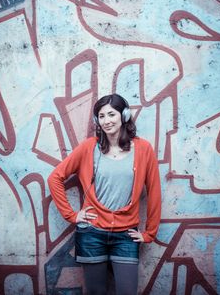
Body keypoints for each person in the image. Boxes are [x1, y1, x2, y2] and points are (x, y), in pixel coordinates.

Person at [47, 93, 161, 294]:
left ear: (123, 115)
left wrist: (149, 233)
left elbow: (154, 191)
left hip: (126, 235)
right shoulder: (88, 147)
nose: (106, 121)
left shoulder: (143, 149)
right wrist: (72, 215)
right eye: (101, 116)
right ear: (96, 120)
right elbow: (55, 178)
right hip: (91, 233)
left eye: (111, 114)